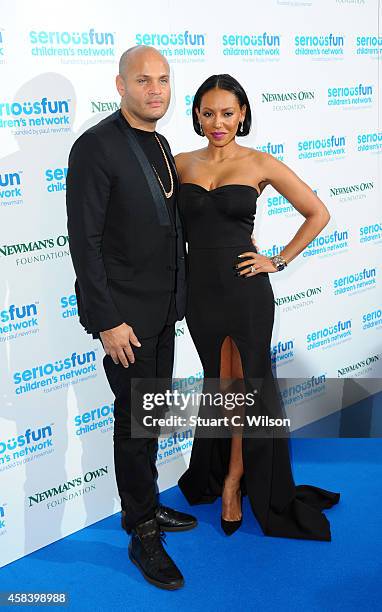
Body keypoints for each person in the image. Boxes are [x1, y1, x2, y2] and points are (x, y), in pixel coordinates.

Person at [175, 74, 340, 540]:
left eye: (227, 113)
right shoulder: (180, 162)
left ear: (242, 113)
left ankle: (233, 480)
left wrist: (278, 260)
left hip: (246, 289)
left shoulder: (259, 163)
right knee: (222, 388)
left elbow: (318, 212)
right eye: (208, 113)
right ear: (197, 116)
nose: (217, 122)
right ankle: (229, 470)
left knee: (248, 389)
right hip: (201, 294)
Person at [65, 45, 197, 591]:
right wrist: (107, 320)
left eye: (163, 80)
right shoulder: (94, 146)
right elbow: (85, 241)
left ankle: (143, 505)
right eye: (143, 80)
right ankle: (141, 528)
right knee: (134, 420)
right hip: (124, 319)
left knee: (152, 417)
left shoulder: (162, 142)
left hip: (164, 310)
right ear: (119, 84)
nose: (156, 90)